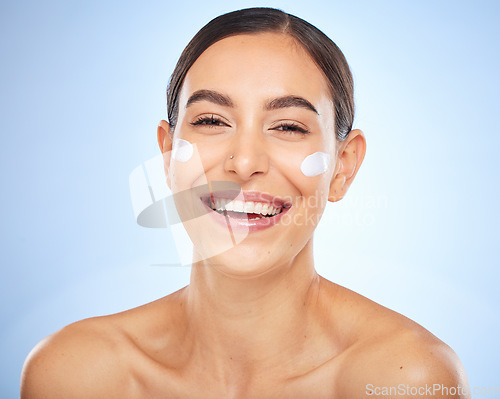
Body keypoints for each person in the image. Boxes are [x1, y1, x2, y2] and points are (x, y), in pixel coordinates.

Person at [21, 8, 470, 398]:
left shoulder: (408, 380)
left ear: (344, 166)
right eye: (212, 120)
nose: (245, 161)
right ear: (167, 153)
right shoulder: (75, 375)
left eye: (289, 127)